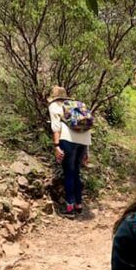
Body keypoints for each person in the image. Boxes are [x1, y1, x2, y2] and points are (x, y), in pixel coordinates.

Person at [47, 85, 91, 217]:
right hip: (84, 141)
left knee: (69, 172)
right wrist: (87, 150)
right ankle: (79, 204)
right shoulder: (75, 105)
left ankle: (70, 207)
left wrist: (56, 146)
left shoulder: (54, 106)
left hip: (68, 140)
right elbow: (86, 127)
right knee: (76, 171)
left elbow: (56, 127)